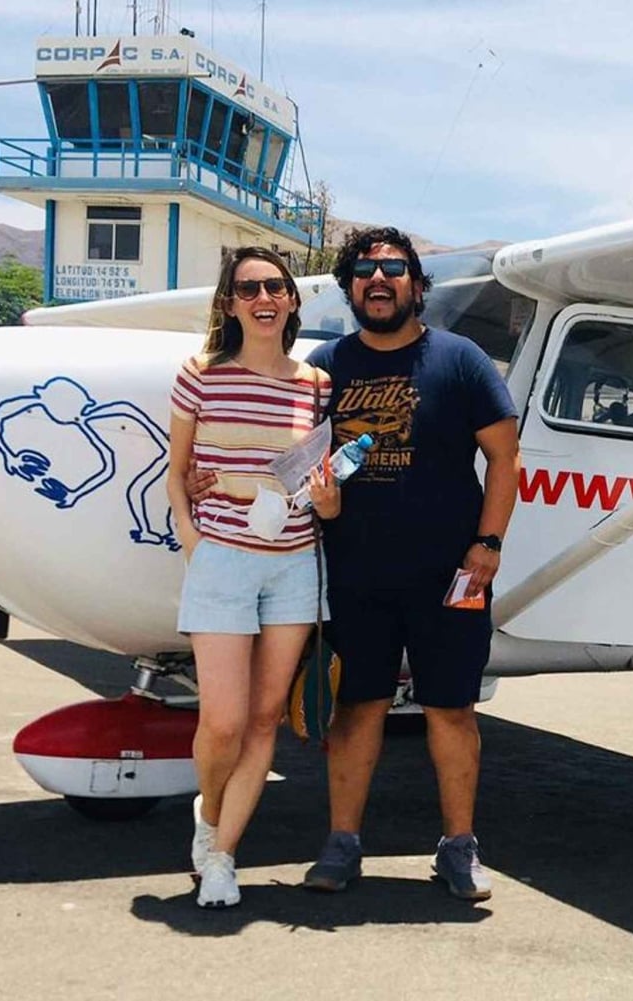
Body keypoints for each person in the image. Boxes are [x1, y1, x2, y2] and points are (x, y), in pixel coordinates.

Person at [301, 226, 520, 900]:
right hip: (356, 575)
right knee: (357, 708)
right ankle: (341, 845)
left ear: (416, 286)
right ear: (349, 289)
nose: (379, 280)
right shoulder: (325, 367)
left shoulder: (462, 360)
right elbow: (293, 457)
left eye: (394, 269)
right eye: (365, 271)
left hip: (451, 575)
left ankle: (459, 848)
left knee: (451, 709)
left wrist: (487, 546)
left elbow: (505, 459)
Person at [167, 246, 339, 908]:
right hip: (223, 561)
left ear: (291, 300)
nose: (263, 298)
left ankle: (223, 856)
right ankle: (209, 816)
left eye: (275, 286)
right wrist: (194, 540)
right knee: (223, 723)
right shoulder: (201, 374)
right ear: (229, 303)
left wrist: (328, 501)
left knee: (265, 718)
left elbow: (317, 483)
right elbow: (176, 473)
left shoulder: (316, 385)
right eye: (248, 289)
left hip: (295, 562)